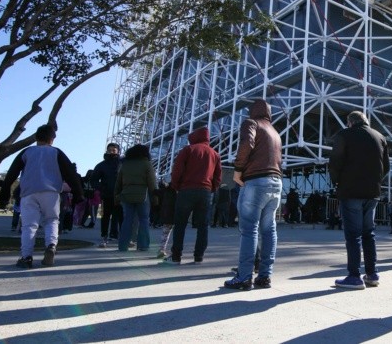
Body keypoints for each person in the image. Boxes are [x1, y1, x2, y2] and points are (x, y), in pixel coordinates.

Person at [0, 124, 83, 268]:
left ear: (36, 137)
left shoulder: (27, 152)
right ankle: (50, 246)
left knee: (29, 226)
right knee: (52, 221)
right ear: (52, 139)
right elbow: (70, 173)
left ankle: (26, 257)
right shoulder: (56, 153)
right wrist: (78, 192)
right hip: (51, 192)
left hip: (29, 193)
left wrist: (4, 193)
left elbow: (12, 173)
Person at [224, 99, 283, 290]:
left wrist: (238, 170)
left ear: (252, 111)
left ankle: (244, 277)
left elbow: (246, 145)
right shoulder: (274, 131)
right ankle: (265, 276)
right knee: (269, 230)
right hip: (276, 182)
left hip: (256, 180)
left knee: (249, 229)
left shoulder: (251, 123)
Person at [328, 110, 390, 289]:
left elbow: (335, 161)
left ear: (350, 122)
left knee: (353, 235)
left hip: (351, 191)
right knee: (368, 234)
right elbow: (385, 166)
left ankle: (354, 276)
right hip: (372, 192)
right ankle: (372, 273)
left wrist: (336, 182)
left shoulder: (344, 135)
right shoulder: (380, 137)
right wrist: (375, 181)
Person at [165, 127, 221, 264]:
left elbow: (177, 170)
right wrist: (211, 188)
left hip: (186, 190)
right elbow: (218, 176)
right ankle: (198, 256)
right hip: (205, 192)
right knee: (203, 225)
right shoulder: (215, 154)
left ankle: (176, 256)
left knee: (180, 224)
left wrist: (176, 186)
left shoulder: (188, 150)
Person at [115, 144, 156, 252]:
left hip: (126, 195)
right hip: (143, 196)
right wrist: (156, 198)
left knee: (127, 219)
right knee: (143, 220)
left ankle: (122, 245)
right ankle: (143, 245)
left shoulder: (125, 165)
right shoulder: (147, 164)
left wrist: (117, 196)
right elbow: (152, 183)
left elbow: (118, 183)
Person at [91, 143, 123, 248]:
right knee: (105, 217)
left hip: (121, 195)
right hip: (107, 195)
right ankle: (104, 236)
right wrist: (101, 188)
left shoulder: (123, 163)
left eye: (114, 150)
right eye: (110, 150)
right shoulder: (102, 165)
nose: (112, 152)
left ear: (118, 151)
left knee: (121, 217)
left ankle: (123, 238)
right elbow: (94, 179)